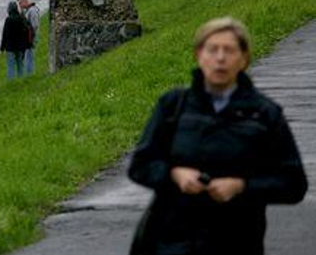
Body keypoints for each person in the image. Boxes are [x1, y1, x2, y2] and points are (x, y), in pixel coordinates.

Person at [128, 17, 307, 255]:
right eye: (213, 49)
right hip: (171, 240)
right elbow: (141, 165)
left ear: (244, 59)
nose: (220, 58)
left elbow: (293, 184)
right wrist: (174, 174)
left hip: (235, 239)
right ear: (199, 55)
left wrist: (241, 186)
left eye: (229, 50)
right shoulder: (173, 106)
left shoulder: (264, 114)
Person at [0, 1, 31, 80]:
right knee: (20, 64)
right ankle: (21, 79)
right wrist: (26, 44)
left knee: (11, 65)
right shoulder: (21, 18)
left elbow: (5, 35)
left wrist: (2, 48)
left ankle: (11, 81)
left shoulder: (8, 20)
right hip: (20, 46)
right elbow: (26, 32)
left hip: (10, 47)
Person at [17, 0, 41, 75]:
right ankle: (29, 74)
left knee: (29, 57)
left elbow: (35, 25)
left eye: (20, 3)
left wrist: (31, 38)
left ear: (25, 1)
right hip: (27, 38)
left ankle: (30, 74)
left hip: (31, 38)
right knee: (27, 57)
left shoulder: (32, 11)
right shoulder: (27, 11)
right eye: (19, 4)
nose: (20, 5)